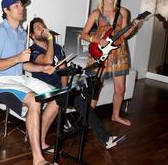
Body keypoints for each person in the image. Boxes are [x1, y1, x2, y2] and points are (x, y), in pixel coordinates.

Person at [29, 17, 125, 149]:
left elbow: (63, 69)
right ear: (32, 35)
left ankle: (105, 138)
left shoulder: (57, 48)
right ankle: (41, 142)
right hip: (44, 89)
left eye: (43, 26)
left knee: (84, 96)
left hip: (59, 88)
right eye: (38, 28)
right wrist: (51, 39)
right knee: (63, 100)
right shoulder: (32, 51)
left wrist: (65, 87)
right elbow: (47, 60)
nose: (43, 29)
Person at [0, 0, 59, 165]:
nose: (22, 8)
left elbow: (25, 65)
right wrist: (18, 58)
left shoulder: (22, 34)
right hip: (2, 82)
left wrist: (43, 68)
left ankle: (39, 141)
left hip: (20, 78)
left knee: (57, 98)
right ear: (6, 11)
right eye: (17, 6)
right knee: (35, 102)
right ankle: (39, 160)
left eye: (22, 5)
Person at [80, 0, 140, 126]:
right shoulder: (96, 13)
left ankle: (115, 116)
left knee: (120, 89)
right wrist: (96, 40)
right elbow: (83, 34)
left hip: (119, 53)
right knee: (96, 88)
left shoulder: (123, 12)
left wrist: (132, 28)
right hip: (101, 53)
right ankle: (87, 119)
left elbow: (124, 35)